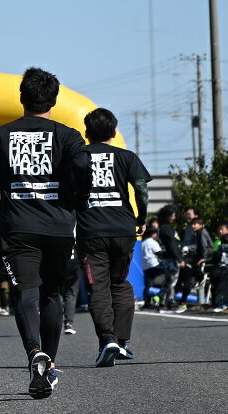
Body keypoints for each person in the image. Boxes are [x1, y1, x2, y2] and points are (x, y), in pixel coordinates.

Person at [0, 67, 92, 399]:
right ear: (54, 99)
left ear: (21, 98)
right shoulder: (68, 136)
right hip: (58, 228)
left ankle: (33, 352)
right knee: (52, 293)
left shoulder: (0, 135)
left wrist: (8, 180)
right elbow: (83, 170)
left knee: (26, 292)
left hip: (18, 228)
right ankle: (48, 363)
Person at [75, 108, 151, 366]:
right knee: (120, 283)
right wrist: (141, 218)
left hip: (91, 230)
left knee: (98, 287)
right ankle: (121, 342)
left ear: (86, 132)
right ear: (114, 132)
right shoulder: (127, 157)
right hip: (123, 229)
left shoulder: (78, 157)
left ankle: (107, 339)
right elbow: (141, 189)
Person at [176, 218, 210, 305]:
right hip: (197, 257)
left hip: (201, 258)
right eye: (192, 224)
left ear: (201, 224)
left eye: (195, 224)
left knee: (188, 274)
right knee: (186, 275)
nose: (193, 226)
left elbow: (204, 246)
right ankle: (183, 298)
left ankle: (200, 277)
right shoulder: (198, 232)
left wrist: (204, 258)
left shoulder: (201, 233)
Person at [156, 205, 183, 311]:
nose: (174, 217)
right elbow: (171, 244)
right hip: (171, 258)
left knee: (168, 280)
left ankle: (164, 302)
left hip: (166, 258)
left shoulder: (162, 228)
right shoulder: (167, 229)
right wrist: (179, 258)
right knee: (171, 281)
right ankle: (164, 298)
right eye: (172, 215)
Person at [141, 228, 166, 309]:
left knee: (148, 285)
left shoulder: (143, 242)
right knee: (165, 282)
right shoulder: (152, 242)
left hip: (146, 266)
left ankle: (147, 302)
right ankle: (161, 300)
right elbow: (159, 253)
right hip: (155, 265)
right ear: (153, 234)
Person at [62, 247, 81, 335]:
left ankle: (52, 324)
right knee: (71, 293)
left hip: (58, 261)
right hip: (74, 262)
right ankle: (68, 323)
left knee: (53, 293)